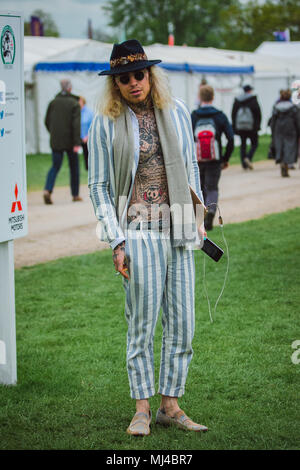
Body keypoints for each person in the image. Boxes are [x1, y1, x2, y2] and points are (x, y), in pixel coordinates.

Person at [88, 39, 208, 436]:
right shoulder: (105, 123)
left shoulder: (177, 113)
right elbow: (99, 186)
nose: (134, 83)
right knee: (141, 323)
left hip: (177, 228)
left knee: (183, 323)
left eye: (139, 74)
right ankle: (141, 407)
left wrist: (199, 215)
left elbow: (190, 167)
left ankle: (170, 405)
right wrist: (115, 240)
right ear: (116, 84)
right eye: (124, 78)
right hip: (137, 232)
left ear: (150, 75)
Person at [191, 85, 234, 231]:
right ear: (213, 97)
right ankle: (211, 212)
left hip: (198, 159)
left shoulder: (194, 115)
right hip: (215, 159)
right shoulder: (219, 115)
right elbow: (231, 138)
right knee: (212, 187)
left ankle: (200, 220)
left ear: (200, 97)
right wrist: (225, 158)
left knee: (200, 188)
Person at [43, 79, 82, 204]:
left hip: (56, 140)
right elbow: (76, 125)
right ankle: (75, 195)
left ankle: (47, 190)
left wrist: (54, 133)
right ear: (70, 88)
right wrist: (77, 143)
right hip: (71, 141)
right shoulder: (74, 103)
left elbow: (47, 121)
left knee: (55, 166)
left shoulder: (53, 103)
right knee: (74, 167)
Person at [269, 89, 300, 177]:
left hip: (278, 129)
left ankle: (282, 162)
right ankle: (286, 164)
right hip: (290, 129)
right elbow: (298, 120)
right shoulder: (293, 107)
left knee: (280, 147)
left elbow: (273, 121)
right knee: (288, 147)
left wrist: (272, 131)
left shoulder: (276, 107)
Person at [231, 84, 261, 170]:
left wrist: (235, 126)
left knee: (243, 145)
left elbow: (233, 114)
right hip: (251, 127)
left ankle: (244, 164)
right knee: (254, 144)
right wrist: (257, 126)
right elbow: (258, 114)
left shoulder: (237, 100)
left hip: (240, 127)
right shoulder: (253, 100)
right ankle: (248, 157)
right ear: (250, 91)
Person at [79, 96, 94, 170]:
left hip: (87, 139)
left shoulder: (89, 113)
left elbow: (93, 126)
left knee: (88, 157)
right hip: (79, 139)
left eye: (79, 101)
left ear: (83, 102)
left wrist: (87, 136)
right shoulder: (76, 112)